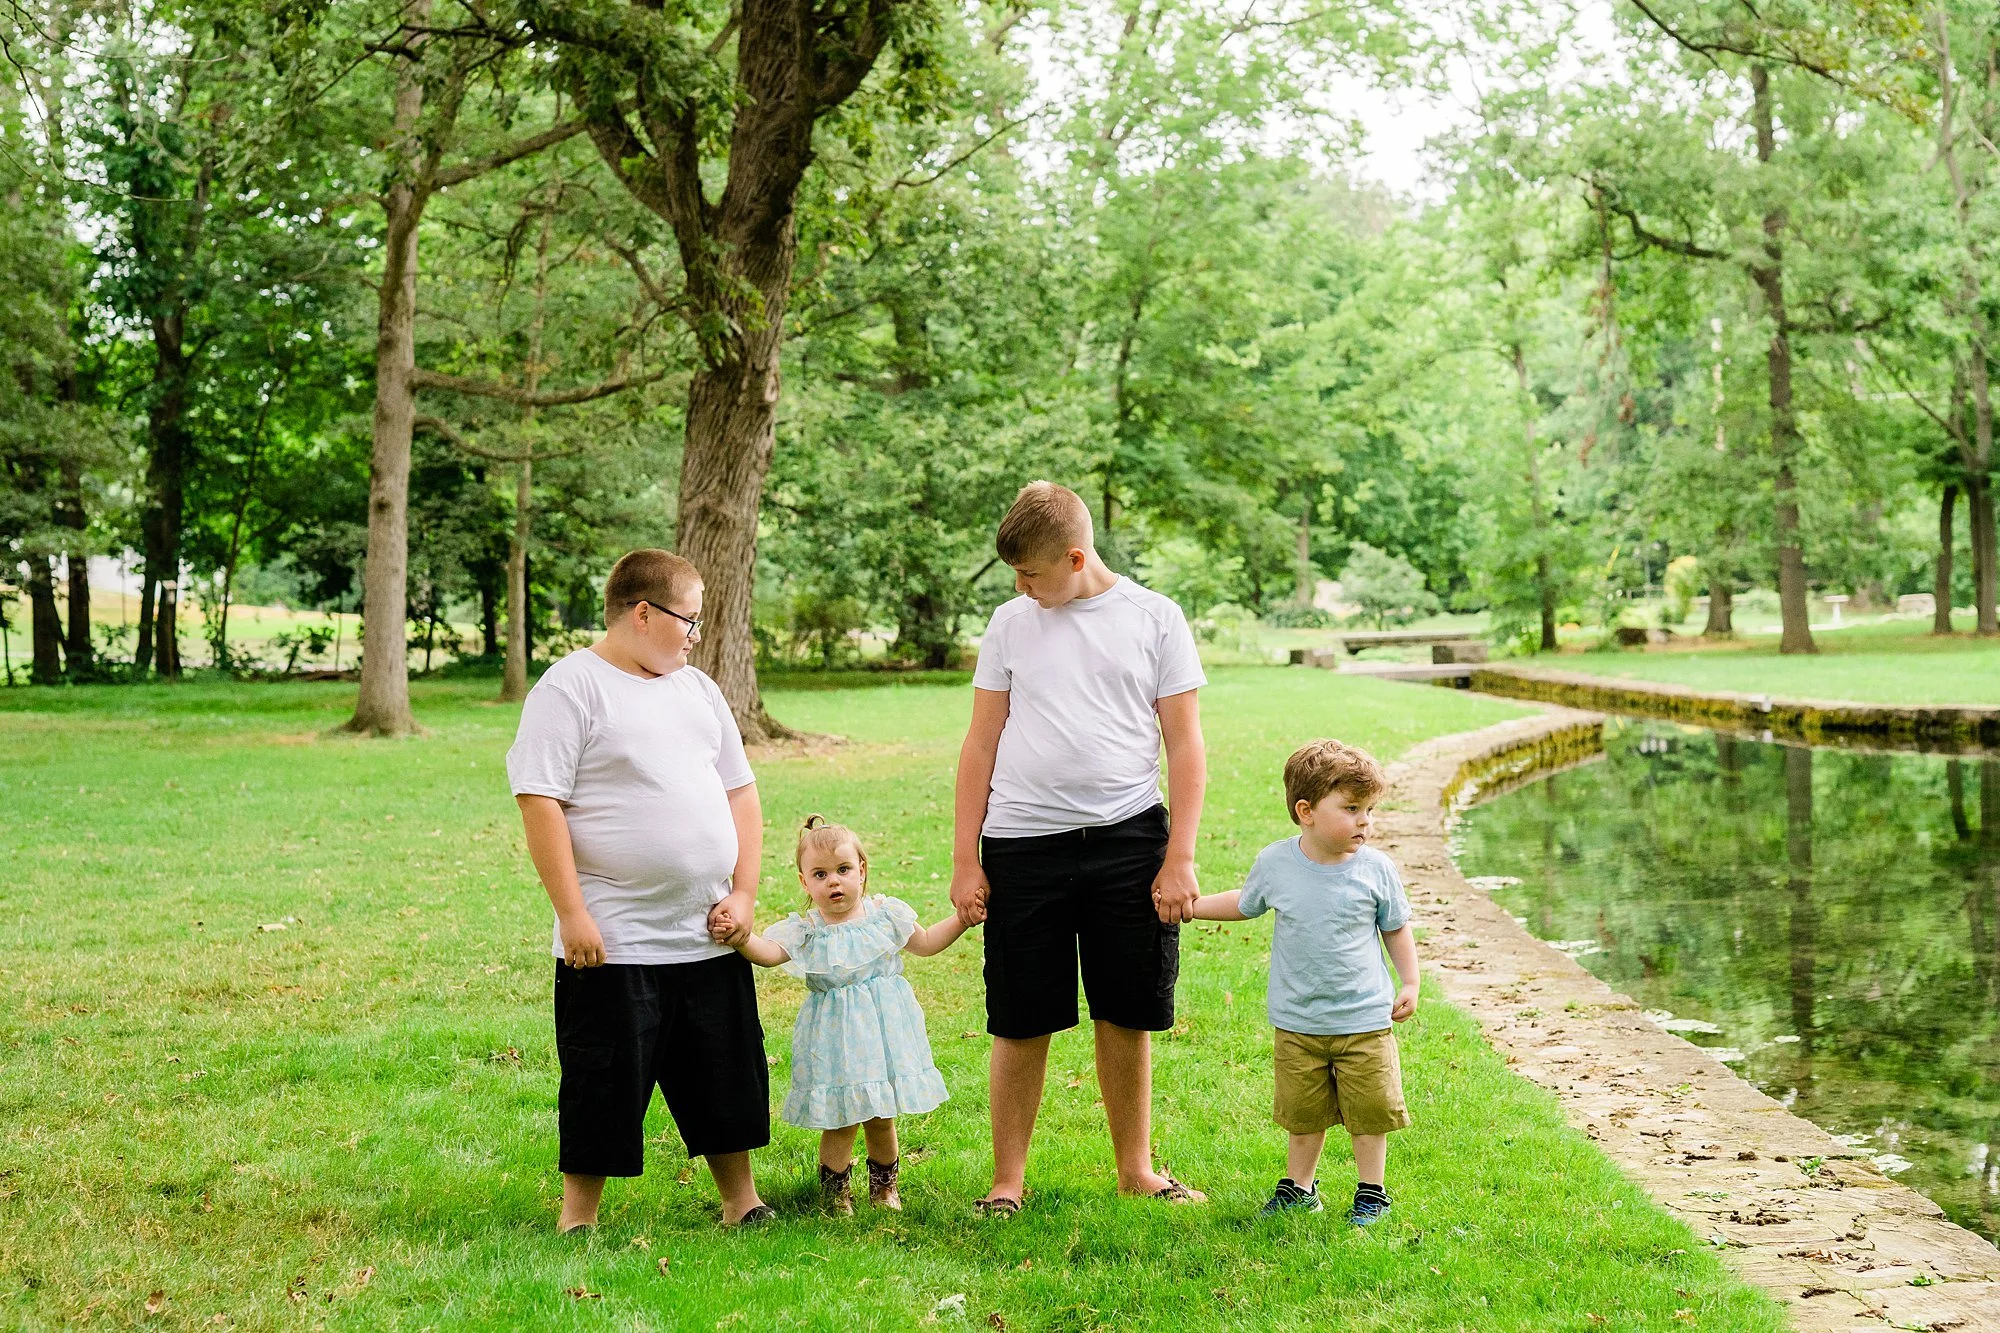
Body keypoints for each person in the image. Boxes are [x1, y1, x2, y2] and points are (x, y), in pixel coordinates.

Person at [950, 480, 1209, 1214]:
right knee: (1020, 1013)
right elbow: (980, 743)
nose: (1022, 588)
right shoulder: (1009, 623)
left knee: (1127, 1010)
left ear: (1075, 555)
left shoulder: (1155, 618)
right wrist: (966, 857)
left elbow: (1185, 744)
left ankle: (1137, 1168)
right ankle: (1007, 1181)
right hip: (1022, 844)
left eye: (1032, 574)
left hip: (1128, 839)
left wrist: (1178, 854)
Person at [506, 548, 774, 1232]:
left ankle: (741, 1201)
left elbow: (741, 794)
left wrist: (743, 895)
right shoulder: (570, 688)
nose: (696, 634)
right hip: (614, 938)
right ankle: (579, 1217)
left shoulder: (699, 690)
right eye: (689, 620)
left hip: (707, 934)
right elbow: (540, 804)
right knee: (603, 1078)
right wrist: (573, 913)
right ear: (643, 613)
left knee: (723, 1072)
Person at [1192, 739, 1419, 1225]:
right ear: (1306, 811)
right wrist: (1190, 907)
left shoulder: (1376, 869)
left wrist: (1410, 982)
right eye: (1352, 808)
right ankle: (1299, 1189)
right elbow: (1244, 903)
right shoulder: (1277, 863)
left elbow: (1396, 926)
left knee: (1369, 1114)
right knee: (1303, 1115)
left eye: (1370, 810)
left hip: (1364, 1020)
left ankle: (1371, 1192)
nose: (1365, 822)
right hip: (1298, 1023)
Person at [720, 815, 968, 1215]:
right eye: (820, 874)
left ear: (861, 870)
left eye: (843, 870)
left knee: (881, 1116)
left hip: (883, 1032)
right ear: (804, 882)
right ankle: (835, 1195)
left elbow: (925, 944)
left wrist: (962, 919)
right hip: (835, 1036)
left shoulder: (885, 916)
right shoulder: (808, 930)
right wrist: (743, 938)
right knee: (840, 1118)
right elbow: (768, 955)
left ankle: (885, 1188)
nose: (833, 881)